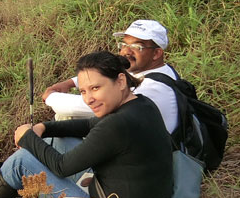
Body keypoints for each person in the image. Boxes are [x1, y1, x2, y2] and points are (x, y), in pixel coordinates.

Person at [0, 51, 174, 198]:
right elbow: (89, 124)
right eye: (83, 91)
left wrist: (26, 137)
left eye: (96, 88)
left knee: (20, 162)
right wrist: (43, 128)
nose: (89, 99)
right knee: (56, 139)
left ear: (121, 81)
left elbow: (62, 167)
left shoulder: (117, 124)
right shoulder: (142, 104)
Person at [43, 19, 179, 134]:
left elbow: (86, 105)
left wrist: (50, 97)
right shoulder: (155, 70)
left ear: (156, 53)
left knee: (66, 117)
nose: (126, 51)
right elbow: (106, 74)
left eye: (137, 46)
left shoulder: (153, 88)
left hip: (149, 161)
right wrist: (70, 83)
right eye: (124, 44)